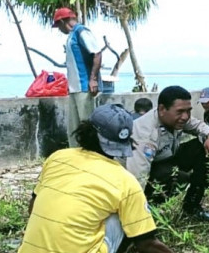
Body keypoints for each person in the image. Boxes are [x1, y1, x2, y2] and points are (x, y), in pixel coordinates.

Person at [19, 104, 173, 253]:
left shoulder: (57, 157)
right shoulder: (125, 181)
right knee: (125, 216)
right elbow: (145, 242)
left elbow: (33, 206)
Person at [126, 86, 209, 221]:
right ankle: (150, 210)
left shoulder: (176, 118)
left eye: (188, 111)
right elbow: (137, 179)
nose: (185, 117)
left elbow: (198, 125)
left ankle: (192, 207)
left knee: (202, 148)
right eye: (180, 112)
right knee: (177, 177)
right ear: (162, 110)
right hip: (147, 175)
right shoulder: (145, 135)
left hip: (167, 160)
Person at [53, 7, 102, 147]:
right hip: (74, 88)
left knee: (87, 126)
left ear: (63, 21)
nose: (59, 30)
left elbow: (97, 53)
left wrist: (92, 79)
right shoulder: (72, 36)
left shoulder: (82, 32)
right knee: (74, 128)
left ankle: (91, 155)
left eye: (58, 26)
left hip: (84, 86)